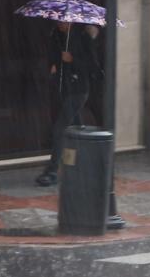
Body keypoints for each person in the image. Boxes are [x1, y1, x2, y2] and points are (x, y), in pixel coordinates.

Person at [35, 22, 102, 186]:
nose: (60, 24)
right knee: (78, 130)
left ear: (71, 21)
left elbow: (93, 66)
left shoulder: (83, 37)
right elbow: (54, 57)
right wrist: (54, 65)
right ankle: (89, 164)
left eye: (64, 21)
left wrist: (73, 60)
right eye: (58, 21)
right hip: (64, 89)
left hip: (79, 90)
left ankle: (52, 171)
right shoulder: (56, 35)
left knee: (60, 129)